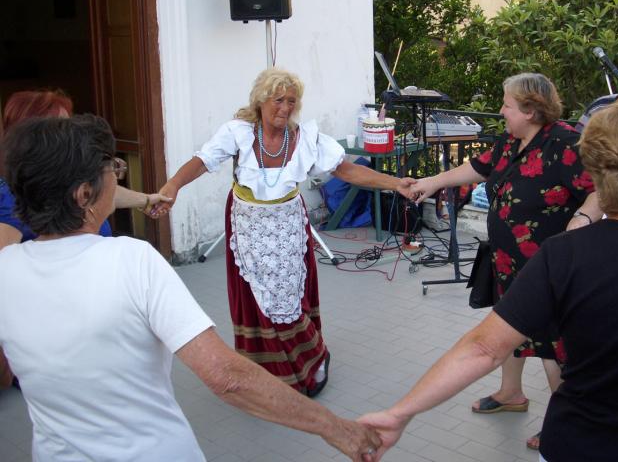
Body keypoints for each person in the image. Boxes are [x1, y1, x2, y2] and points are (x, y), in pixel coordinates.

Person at [361, 98, 618, 462]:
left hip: (581, 445)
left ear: (596, 171)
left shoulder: (565, 255)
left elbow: (484, 348)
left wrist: (401, 413)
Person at [0, 115, 382, 461]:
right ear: (84, 194)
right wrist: (337, 428)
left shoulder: (6, 269)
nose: (116, 177)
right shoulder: (132, 261)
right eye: (112, 170)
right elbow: (226, 377)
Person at [152, 68, 415, 397]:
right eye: (279, 100)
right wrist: (173, 185)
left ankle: (311, 359)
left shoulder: (306, 138)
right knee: (256, 297)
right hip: (248, 224)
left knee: (289, 296)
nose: (286, 107)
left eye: (292, 101)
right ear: (261, 100)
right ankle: (263, 371)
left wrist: (395, 184)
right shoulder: (239, 132)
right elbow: (203, 160)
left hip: (288, 224)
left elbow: (346, 170)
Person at [411, 72, 602, 449]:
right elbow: (478, 168)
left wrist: (582, 220)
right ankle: (511, 393)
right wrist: (432, 181)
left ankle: (566, 424)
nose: (501, 111)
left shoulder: (566, 144)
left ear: (531, 111)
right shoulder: (512, 141)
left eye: (507, 105)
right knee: (510, 324)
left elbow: (600, 190)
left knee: (550, 344)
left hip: (548, 265)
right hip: (508, 260)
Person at [0, 89, 170, 250]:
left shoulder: (68, 174)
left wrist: (146, 200)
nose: (74, 134)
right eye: (63, 128)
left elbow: (101, 189)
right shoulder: (10, 197)